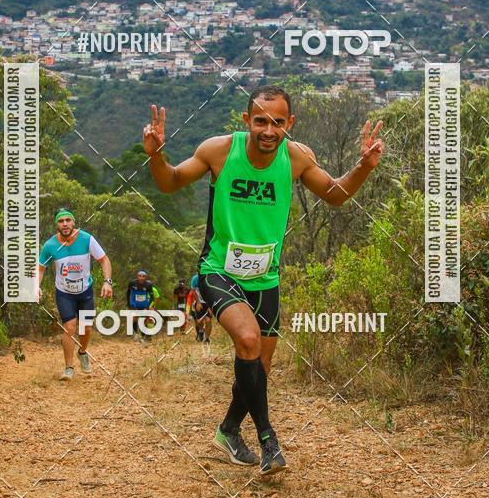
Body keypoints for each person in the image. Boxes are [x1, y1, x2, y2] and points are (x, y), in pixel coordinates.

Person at [143, 86, 384, 474]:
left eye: (277, 122)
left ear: (289, 124)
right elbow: (170, 181)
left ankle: (228, 431)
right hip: (219, 269)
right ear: (246, 121)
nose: (268, 130)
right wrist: (155, 153)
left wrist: (364, 167)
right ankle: (269, 440)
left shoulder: (297, 158)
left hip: (265, 278)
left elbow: (335, 195)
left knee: (259, 369)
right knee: (249, 341)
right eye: (260, 121)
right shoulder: (219, 151)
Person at [38, 208, 113, 380]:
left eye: (67, 220)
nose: (64, 224)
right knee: (70, 327)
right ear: (56, 225)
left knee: (86, 327)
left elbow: (104, 260)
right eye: (61, 221)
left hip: (85, 291)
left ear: (73, 222)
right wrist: (37, 286)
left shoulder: (87, 239)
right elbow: (40, 268)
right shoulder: (50, 245)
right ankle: (69, 368)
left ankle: (82, 352)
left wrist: (107, 282)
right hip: (64, 292)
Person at [126, 270, 160, 342]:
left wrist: (149, 306)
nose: (141, 278)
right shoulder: (132, 283)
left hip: (144, 303)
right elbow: (128, 293)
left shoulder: (149, 284)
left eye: (143, 276)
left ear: (145, 277)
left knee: (145, 318)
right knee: (134, 317)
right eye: (140, 276)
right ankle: (135, 333)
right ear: (137, 276)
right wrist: (129, 304)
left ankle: (144, 335)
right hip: (134, 303)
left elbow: (152, 297)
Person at [187, 272, 213, 343]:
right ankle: (201, 331)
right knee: (198, 321)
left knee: (208, 320)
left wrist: (211, 306)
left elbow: (212, 292)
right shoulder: (195, 279)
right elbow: (193, 291)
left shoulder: (210, 278)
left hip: (208, 303)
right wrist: (198, 302)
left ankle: (207, 338)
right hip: (198, 302)